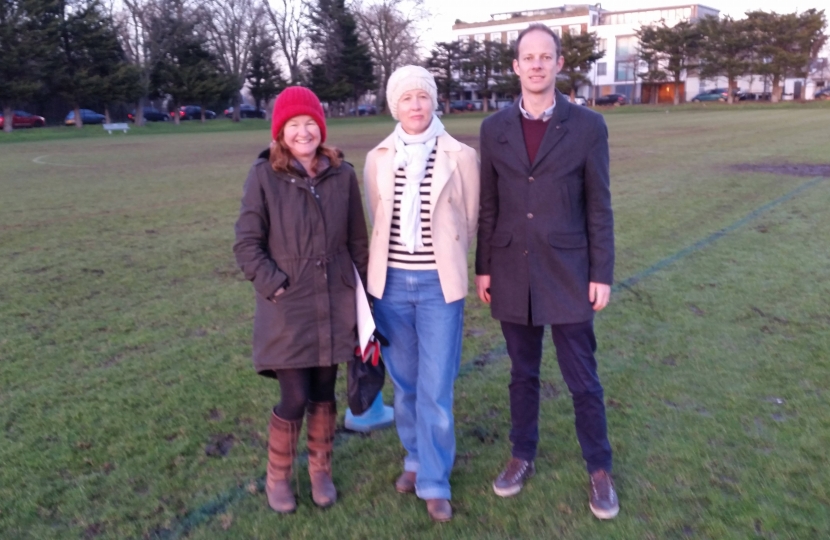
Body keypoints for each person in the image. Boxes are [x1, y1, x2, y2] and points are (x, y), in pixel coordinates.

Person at [474, 24, 619, 520]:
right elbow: (488, 206)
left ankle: (599, 469)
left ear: (559, 64)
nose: (536, 64)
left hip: (570, 269)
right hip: (512, 268)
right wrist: (484, 268)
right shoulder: (493, 129)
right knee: (522, 374)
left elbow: (599, 205)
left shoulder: (587, 126)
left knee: (582, 377)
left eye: (545, 56)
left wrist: (601, 271)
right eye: (527, 57)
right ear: (515, 67)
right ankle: (522, 454)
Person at [233, 86, 369, 514]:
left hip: (334, 302)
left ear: (321, 128)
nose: (304, 131)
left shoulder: (342, 174)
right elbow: (246, 244)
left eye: (310, 123)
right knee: (294, 396)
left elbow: (356, 241)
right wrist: (276, 286)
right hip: (288, 308)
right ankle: (277, 477)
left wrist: (364, 296)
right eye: (294, 125)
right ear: (281, 133)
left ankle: (320, 470)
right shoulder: (263, 176)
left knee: (325, 392)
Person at [364, 65, 480, 522]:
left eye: (423, 97)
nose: (415, 105)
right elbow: (378, 220)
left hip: (438, 288)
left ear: (434, 102)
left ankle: (435, 478)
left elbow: (468, 221)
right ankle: (414, 458)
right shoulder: (378, 158)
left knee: (436, 386)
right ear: (395, 105)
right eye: (406, 98)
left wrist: (441, 260)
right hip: (390, 286)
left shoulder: (461, 156)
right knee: (407, 383)